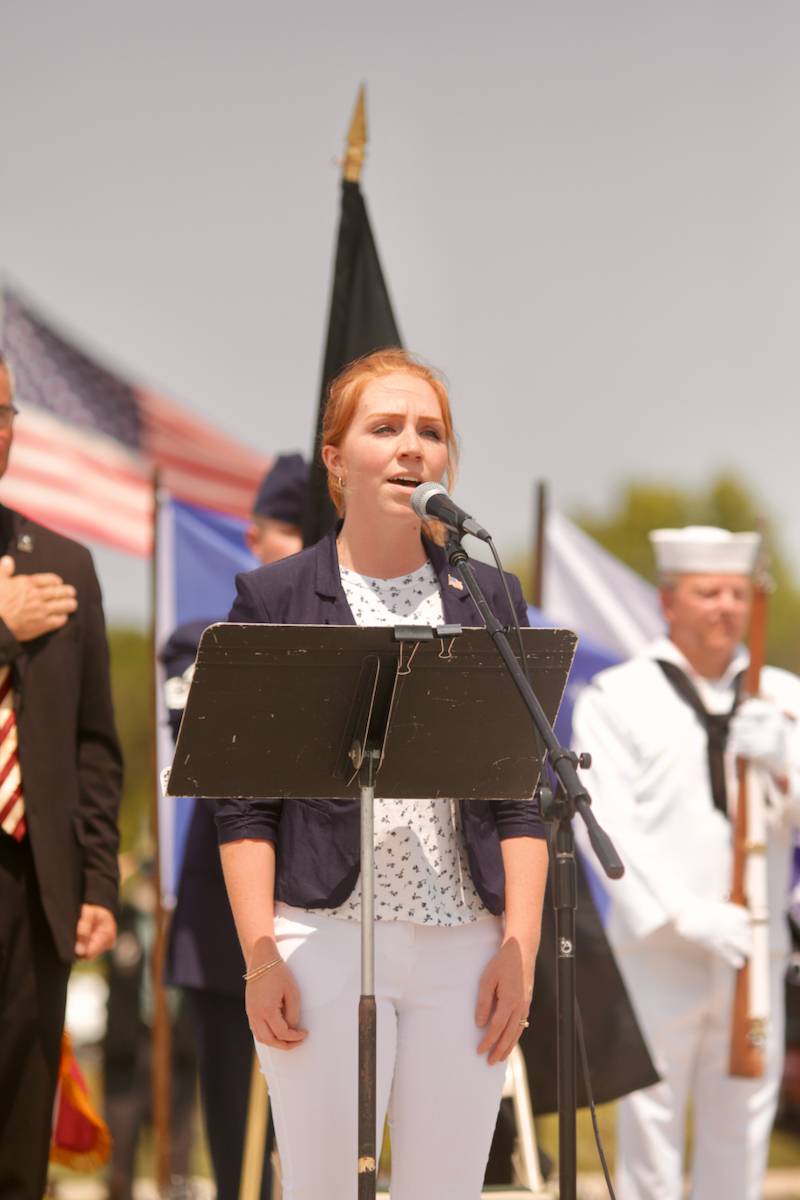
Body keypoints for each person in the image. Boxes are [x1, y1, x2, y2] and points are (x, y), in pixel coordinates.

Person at [214, 348, 549, 1199]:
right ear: (335, 459)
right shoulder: (276, 597)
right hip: (319, 938)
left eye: (430, 433)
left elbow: (523, 799)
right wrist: (262, 959)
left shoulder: (489, 598)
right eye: (386, 428)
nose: (411, 448)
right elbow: (243, 806)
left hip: (466, 946)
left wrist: (521, 947)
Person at [572, 525, 800, 1200]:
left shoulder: (783, 695)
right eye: (707, 592)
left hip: (752, 951)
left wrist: (788, 763)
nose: (725, 607)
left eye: (735, 593)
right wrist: (685, 913)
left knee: (743, 1122)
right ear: (669, 602)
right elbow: (604, 824)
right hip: (659, 949)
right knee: (653, 1121)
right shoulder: (619, 697)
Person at [161, 453, 307, 1200]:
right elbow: (206, 738)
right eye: (295, 534)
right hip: (229, 937)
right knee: (236, 1155)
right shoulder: (203, 639)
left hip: (337, 918)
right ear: (253, 538)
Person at [0, 352, 122, 1200]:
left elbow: (93, 746)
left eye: (3, 413)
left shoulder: (65, 566)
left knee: (18, 1133)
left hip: (34, 888)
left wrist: (99, 882)